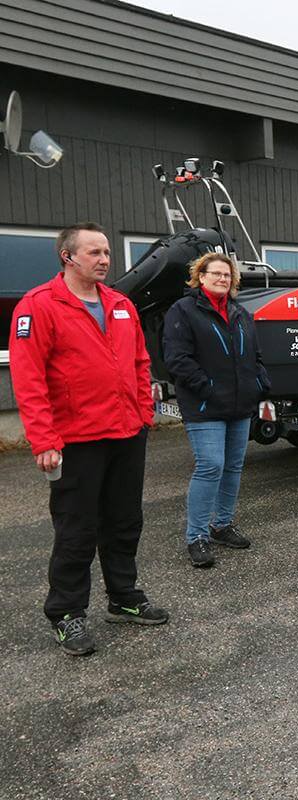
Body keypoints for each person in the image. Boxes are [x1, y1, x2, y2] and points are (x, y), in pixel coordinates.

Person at [9, 222, 169, 656]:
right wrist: (43, 439)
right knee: (77, 529)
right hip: (76, 440)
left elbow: (139, 360)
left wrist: (144, 414)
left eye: (106, 252)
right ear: (68, 257)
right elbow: (28, 378)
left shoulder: (120, 304)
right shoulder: (39, 306)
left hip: (126, 432)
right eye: (95, 252)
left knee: (124, 521)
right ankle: (66, 613)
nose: (105, 260)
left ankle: (124, 598)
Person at [163, 252, 271, 568]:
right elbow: (177, 360)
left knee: (233, 467)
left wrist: (259, 383)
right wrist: (207, 388)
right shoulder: (182, 310)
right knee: (210, 466)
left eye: (227, 275)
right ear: (201, 276)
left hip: (240, 405)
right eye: (216, 273)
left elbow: (256, 354)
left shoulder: (240, 312)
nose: (222, 278)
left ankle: (222, 525)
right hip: (205, 406)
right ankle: (197, 536)